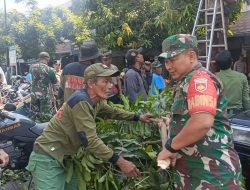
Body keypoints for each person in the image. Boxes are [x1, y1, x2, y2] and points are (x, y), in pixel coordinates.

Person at [26, 63, 153, 190]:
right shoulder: (81, 101)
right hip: (47, 157)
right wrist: (120, 161)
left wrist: (138, 117)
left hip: (66, 157)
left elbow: (112, 111)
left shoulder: (97, 100)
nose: (111, 86)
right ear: (91, 83)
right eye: (105, 82)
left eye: (110, 82)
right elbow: (90, 140)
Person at [157, 34, 241, 189]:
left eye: (173, 60)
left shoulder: (199, 80)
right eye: (166, 61)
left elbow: (201, 122)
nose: (168, 66)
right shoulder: (187, 81)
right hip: (196, 173)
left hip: (212, 175)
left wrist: (169, 148)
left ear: (191, 56)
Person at [58, 39, 100, 104]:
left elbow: (60, 92)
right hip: (86, 111)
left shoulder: (67, 68)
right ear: (93, 58)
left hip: (68, 110)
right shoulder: (94, 72)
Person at [215, 50, 250, 115]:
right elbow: (246, 100)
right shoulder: (242, 77)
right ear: (232, 63)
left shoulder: (213, 78)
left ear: (217, 65)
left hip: (219, 113)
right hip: (237, 113)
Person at [30, 52, 57, 122]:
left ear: (39, 58)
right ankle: (43, 130)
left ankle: (33, 129)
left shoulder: (31, 67)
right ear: (47, 59)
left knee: (34, 113)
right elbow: (54, 82)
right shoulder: (50, 70)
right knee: (45, 115)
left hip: (33, 94)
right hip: (44, 95)